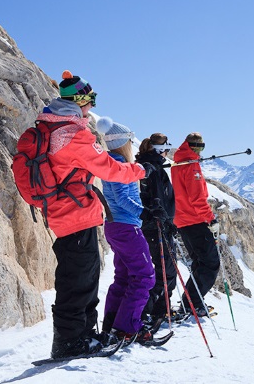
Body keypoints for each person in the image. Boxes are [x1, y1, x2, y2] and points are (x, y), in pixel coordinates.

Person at [39, 71, 150, 359]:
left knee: (83, 277)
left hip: (68, 211)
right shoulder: (72, 134)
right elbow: (108, 168)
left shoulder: (56, 127)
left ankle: (83, 337)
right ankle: (69, 342)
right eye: (91, 99)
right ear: (79, 100)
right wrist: (140, 170)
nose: (92, 106)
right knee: (78, 280)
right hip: (74, 213)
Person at [96, 117, 159, 345]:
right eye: (130, 141)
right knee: (145, 276)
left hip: (115, 226)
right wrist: (145, 213)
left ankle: (113, 324)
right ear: (123, 142)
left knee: (124, 277)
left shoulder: (111, 162)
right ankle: (127, 328)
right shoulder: (120, 164)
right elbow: (123, 199)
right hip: (126, 226)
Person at [171, 132, 220, 316]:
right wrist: (210, 218)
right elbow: (197, 199)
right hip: (195, 220)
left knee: (200, 263)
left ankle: (190, 302)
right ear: (190, 146)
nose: (199, 151)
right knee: (210, 263)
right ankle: (193, 304)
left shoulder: (178, 163)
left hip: (182, 220)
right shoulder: (192, 167)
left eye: (202, 147)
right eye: (197, 147)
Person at [136, 134, 178, 325]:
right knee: (165, 272)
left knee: (163, 271)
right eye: (166, 147)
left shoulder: (149, 166)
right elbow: (158, 199)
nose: (168, 151)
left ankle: (160, 309)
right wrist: (166, 221)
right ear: (159, 149)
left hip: (154, 225)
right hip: (157, 226)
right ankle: (151, 311)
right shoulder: (153, 169)